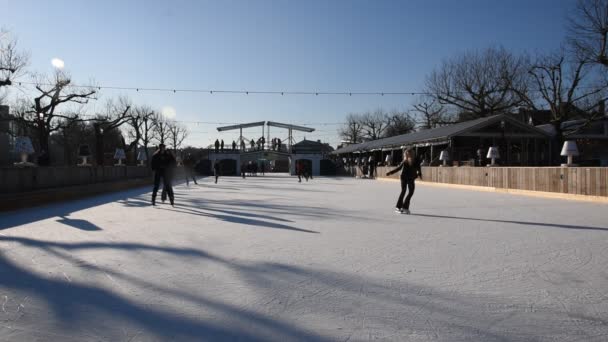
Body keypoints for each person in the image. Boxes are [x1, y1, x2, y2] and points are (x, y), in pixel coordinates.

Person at [386, 149, 422, 215]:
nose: (408, 155)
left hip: (411, 178)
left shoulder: (416, 160)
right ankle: (398, 207)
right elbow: (398, 168)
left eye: (409, 154)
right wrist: (390, 172)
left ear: (412, 154)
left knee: (411, 192)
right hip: (404, 177)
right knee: (403, 191)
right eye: (406, 154)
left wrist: (419, 175)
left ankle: (405, 207)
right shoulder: (405, 161)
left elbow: (418, 168)